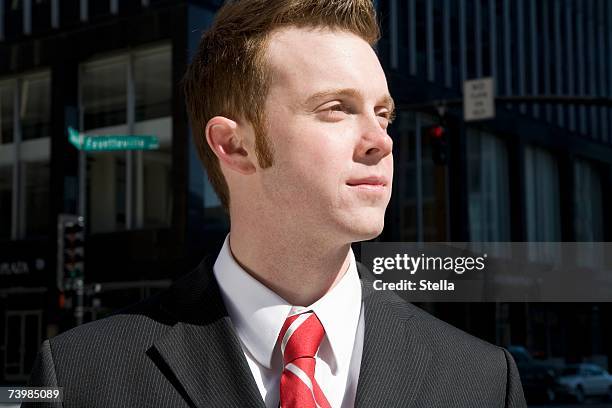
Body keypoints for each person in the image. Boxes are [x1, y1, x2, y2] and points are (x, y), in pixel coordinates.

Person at [27, 0, 526, 407]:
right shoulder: (77, 378)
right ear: (234, 146)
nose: (381, 140)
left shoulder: (483, 380)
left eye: (383, 114)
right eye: (337, 109)